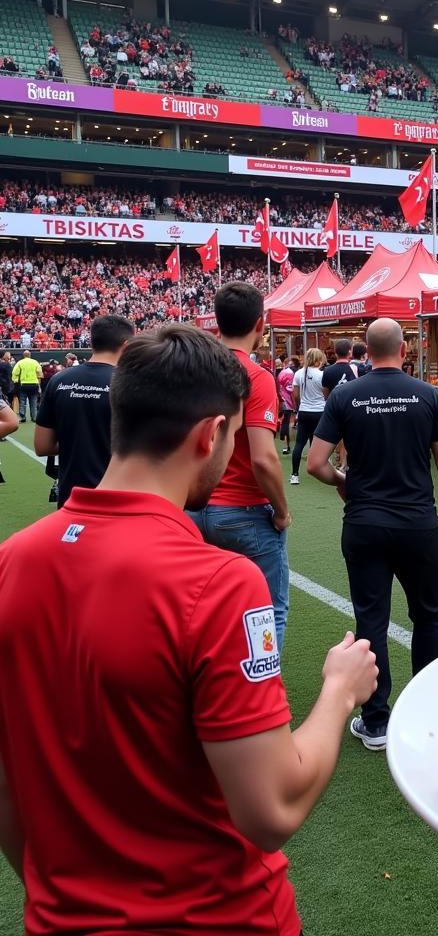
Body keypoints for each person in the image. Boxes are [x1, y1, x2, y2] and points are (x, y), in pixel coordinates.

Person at [0, 324, 378, 935]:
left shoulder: (11, 561)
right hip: (220, 918)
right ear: (212, 434)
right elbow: (272, 807)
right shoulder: (220, 583)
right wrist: (340, 690)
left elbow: (7, 787)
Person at [306, 318, 438, 751]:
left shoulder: (344, 394)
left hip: (365, 523)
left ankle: (376, 721)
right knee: (427, 615)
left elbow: (315, 464)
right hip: (417, 524)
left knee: (371, 619)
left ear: (366, 351)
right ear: (403, 350)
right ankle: (428, 714)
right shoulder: (427, 393)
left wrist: (344, 480)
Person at [189, 283, 292, 649]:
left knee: (205, 611)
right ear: (260, 325)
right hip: (243, 511)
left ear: (216, 323)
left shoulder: (194, 371)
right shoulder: (256, 376)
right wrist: (282, 511)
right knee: (268, 610)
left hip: (193, 507)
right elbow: (264, 457)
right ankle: (261, 698)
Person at [33, 315, 134, 508]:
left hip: (71, 497)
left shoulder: (58, 381)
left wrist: (77, 441)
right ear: (126, 345)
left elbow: (42, 446)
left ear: (91, 341)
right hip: (115, 496)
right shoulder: (130, 383)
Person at [289, 348, 327, 484]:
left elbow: (295, 394)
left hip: (304, 411)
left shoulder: (299, 373)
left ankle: (294, 475)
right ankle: (319, 471)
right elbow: (326, 394)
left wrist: (299, 407)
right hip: (320, 411)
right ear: (318, 360)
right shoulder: (322, 375)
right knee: (319, 442)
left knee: (299, 443)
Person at [11, 350, 42, 423]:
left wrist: (15, 381)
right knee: (33, 402)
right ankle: (34, 417)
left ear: (23, 355)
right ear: (30, 355)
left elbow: (14, 373)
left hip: (23, 385)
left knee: (22, 402)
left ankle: (23, 417)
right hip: (34, 384)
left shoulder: (20, 363)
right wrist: (38, 382)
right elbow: (40, 373)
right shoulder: (35, 362)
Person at [277, 355, 297, 455]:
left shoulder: (281, 373)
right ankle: (286, 445)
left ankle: (286, 446)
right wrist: (294, 404)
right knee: (286, 423)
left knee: (284, 422)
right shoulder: (290, 374)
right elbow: (291, 390)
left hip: (281, 400)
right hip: (287, 402)